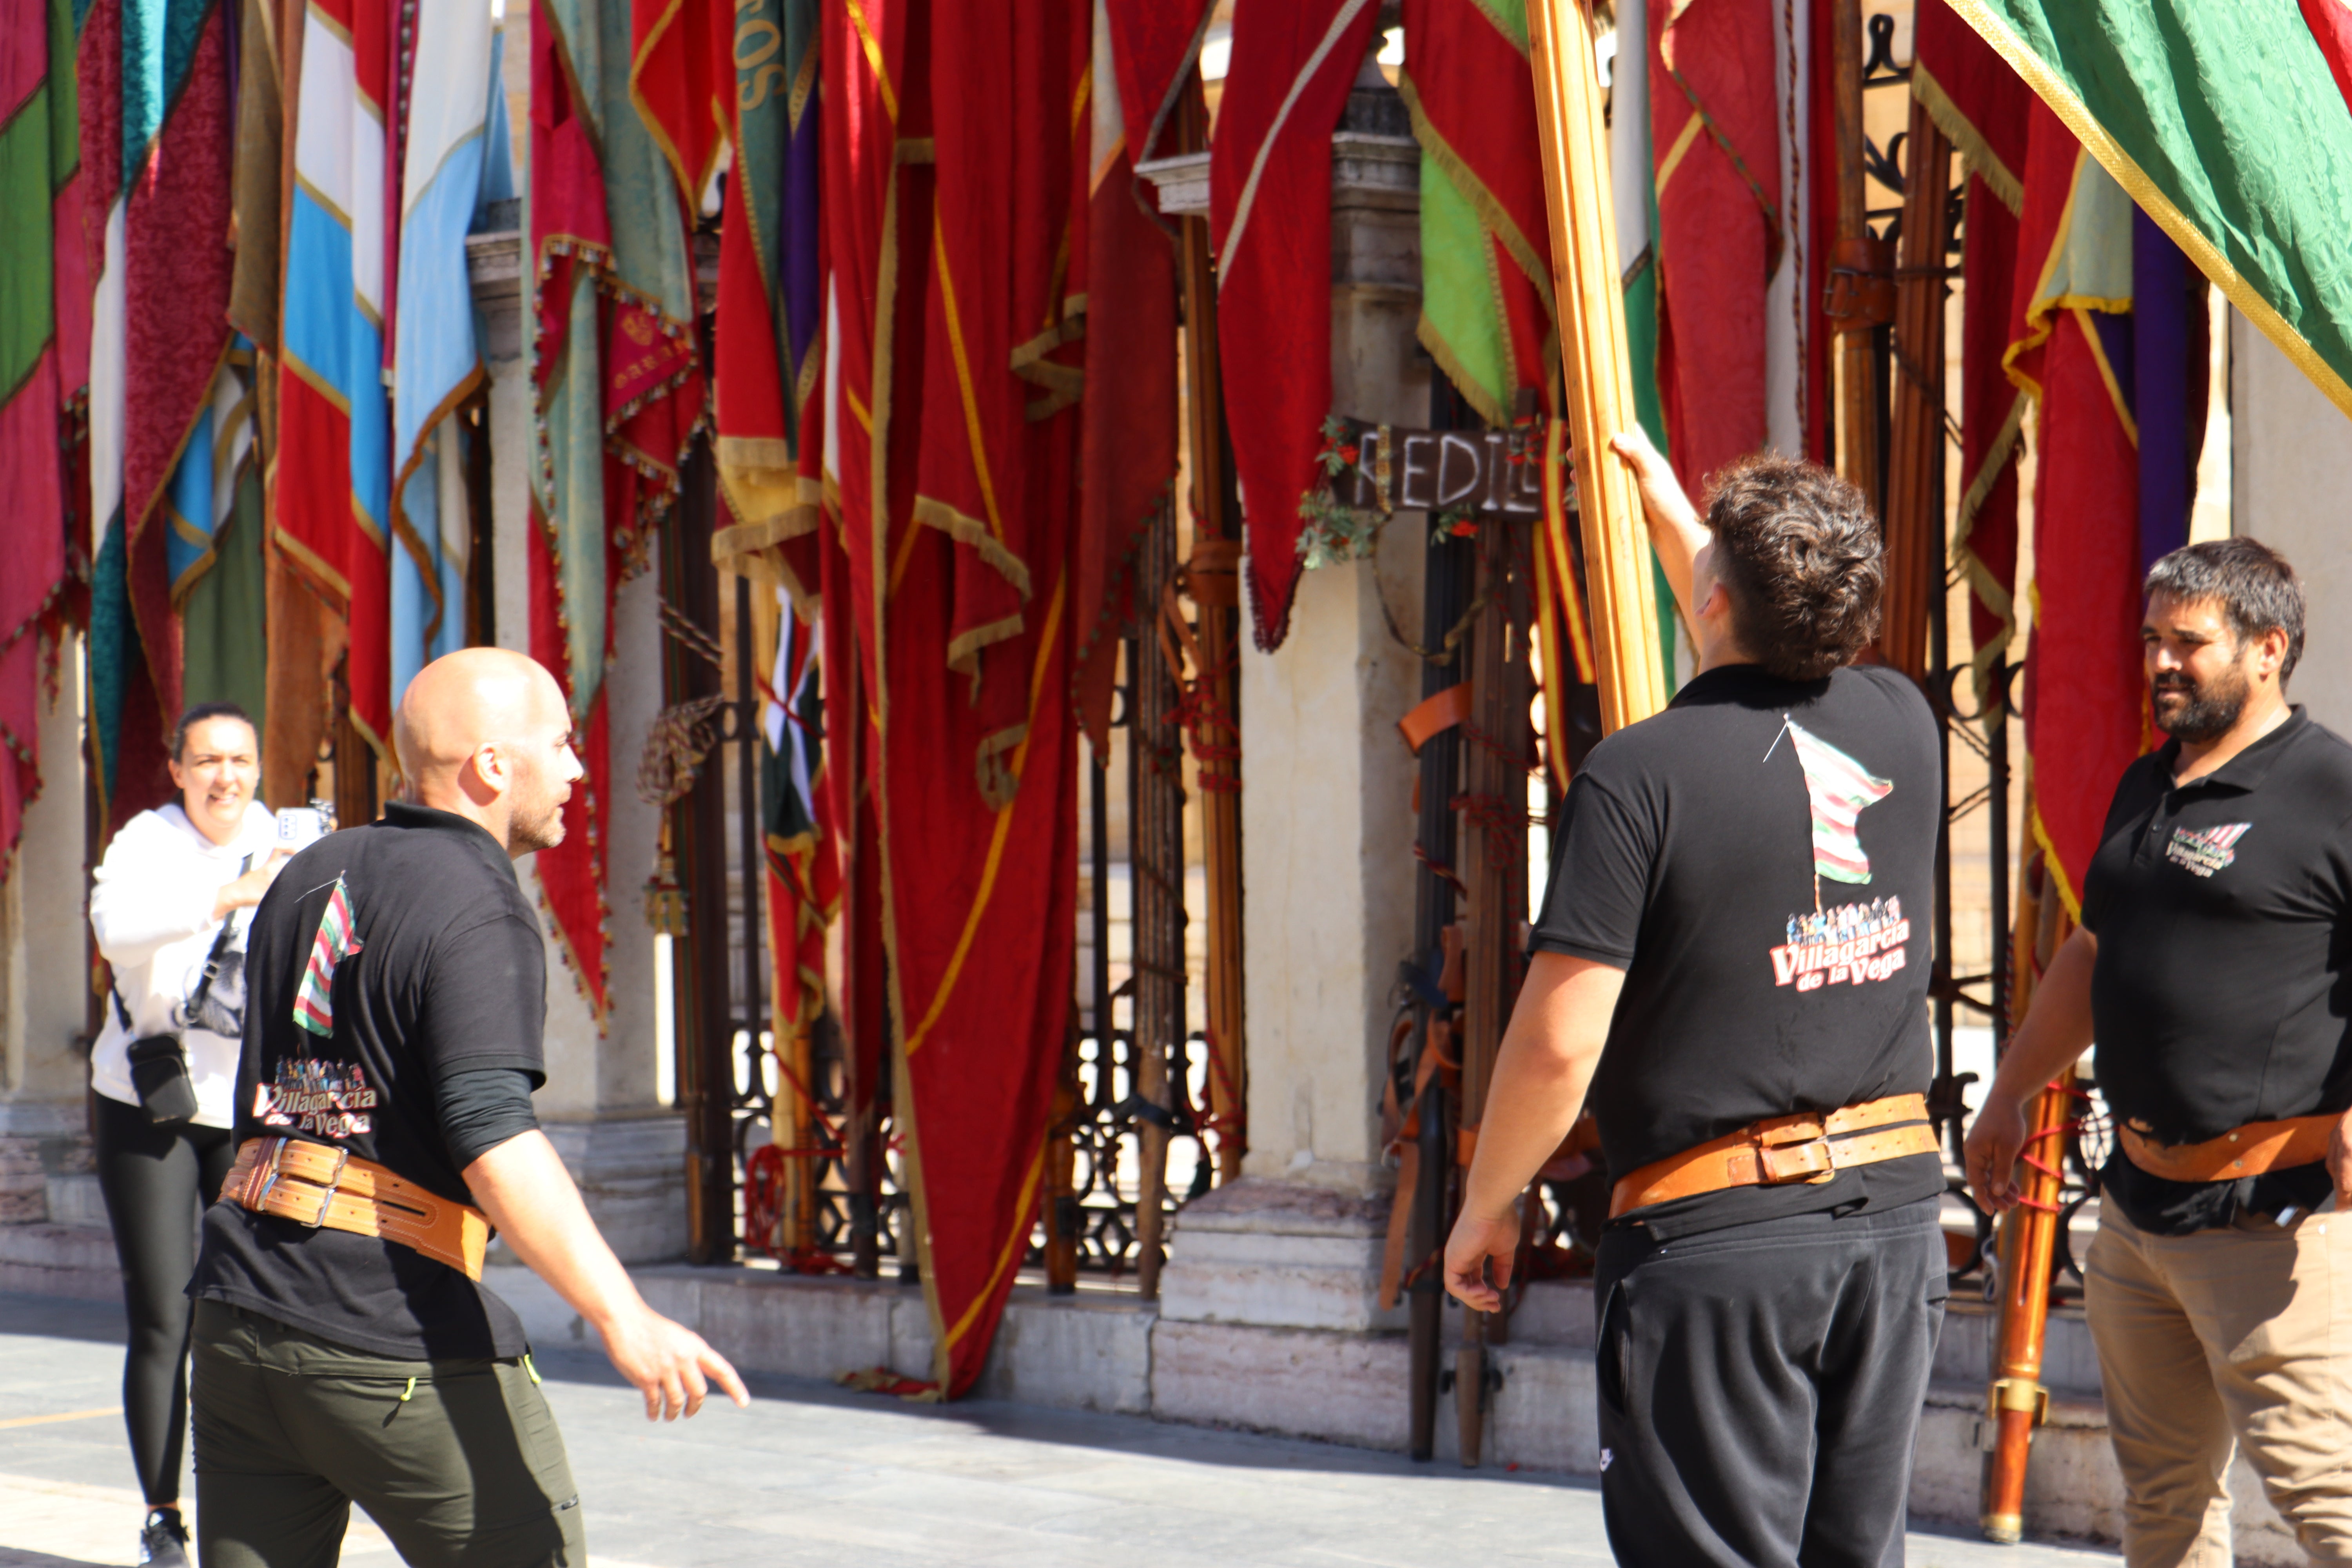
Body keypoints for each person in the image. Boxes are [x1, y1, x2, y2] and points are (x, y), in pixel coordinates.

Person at [1445, 429, 1947, 1567]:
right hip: (1893, 1218)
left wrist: (1490, 1200)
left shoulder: (1640, 771)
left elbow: (1559, 1043)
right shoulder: (1901, 717)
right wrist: (1674, 509)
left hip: (1724, 1243)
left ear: (1714, 596)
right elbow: (1754, 631)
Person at [187, 647, 746, 1568]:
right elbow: (493, 1133)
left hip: (238, 1313)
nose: (577, 769)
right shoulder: (478, 900)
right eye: (560, 744)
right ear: (493, 764)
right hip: (382, 1328)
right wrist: (625, 1315)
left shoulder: (310, 869)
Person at [1966, 539, 2352, 1565]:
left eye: (2190, 641)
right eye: (2152, 640)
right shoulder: (2148, 780)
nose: (2162, 663)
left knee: (2332, 1506)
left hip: (2270, 1227)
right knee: (2166, 1511)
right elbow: (2093, 952)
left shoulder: (2333, 789)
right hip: (2135, 1221)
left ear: (2269, 649)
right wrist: (2009, 1093)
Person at [88, 702, 288, 1567]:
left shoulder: (285, 842)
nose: (225, 778)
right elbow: (114, 933)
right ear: (177, 770)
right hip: (150, 1105)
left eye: (240, 759)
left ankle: (259, 1504)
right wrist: (226, 895)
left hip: (248, 1108)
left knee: (251, 1314)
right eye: (207, 760)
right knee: (165, 1313)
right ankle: (164, 1517)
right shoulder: (147, 842)